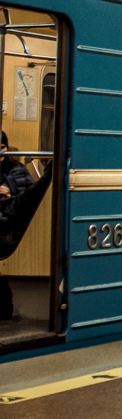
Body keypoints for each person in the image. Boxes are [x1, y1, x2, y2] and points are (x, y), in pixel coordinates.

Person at [0, 132, 34, 321]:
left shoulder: (17, 169)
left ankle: (5, 306)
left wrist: (10, 192)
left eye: (2, 147)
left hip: (11, 220)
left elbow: (31, 193)